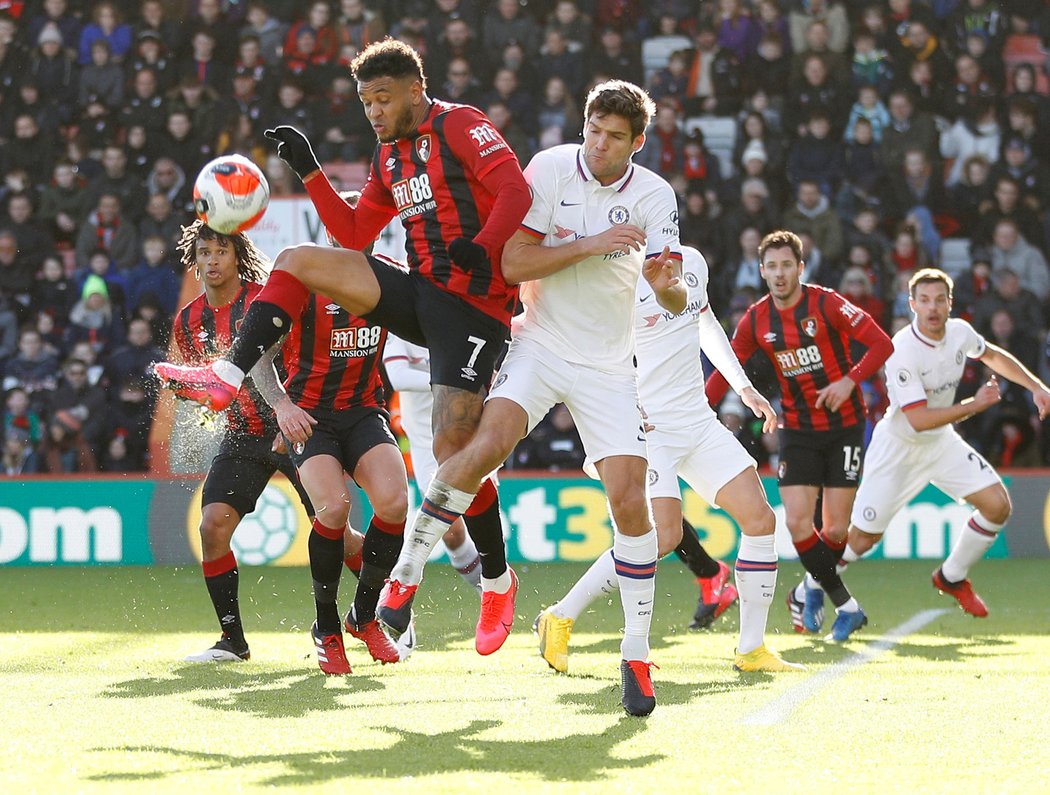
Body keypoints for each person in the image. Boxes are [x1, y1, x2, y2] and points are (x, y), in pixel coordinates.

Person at [154, 39, 531, 656]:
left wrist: (486, 243)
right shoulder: (389, 157)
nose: (374, 112)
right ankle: (228, 372)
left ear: (415, 89)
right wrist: (309, 171)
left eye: (383, 99)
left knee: (453, 450)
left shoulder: (461, 124)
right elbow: (356, 234)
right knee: (298, 260)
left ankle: (496, 579)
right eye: (365, 103)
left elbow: (514, 190)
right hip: (422, 296)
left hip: (476, 309)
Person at [384, 80, 685, 716]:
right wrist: (590, 245)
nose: (599, 145)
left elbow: (673, 292)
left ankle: (634, 655)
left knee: (634, 508)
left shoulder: (656, 195)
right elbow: (513, 263)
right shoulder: (548, 168)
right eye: (594, 130)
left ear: (637, 142)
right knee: (479, 447)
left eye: (614, 137)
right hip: (540, 344)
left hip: (609, 367)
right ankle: (404, 579)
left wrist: (667, 285)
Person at [535, 246, 803, 677]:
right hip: (649, 427)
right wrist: (619, 406)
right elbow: (589, 350)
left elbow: (705, 321)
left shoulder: (694, 260)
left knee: (760, 520)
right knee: (661, 538)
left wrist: (744, 387)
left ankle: (751, 649)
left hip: (697, 419)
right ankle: (559, 616)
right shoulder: (615, 276)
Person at [706, 230, 893, 642]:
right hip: (799, 430)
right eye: (771, 266)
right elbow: (727, 368)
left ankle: (807, 590)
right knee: (795, 522)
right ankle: (847, 607)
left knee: (837, 531)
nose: (779, 273)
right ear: (761, 271)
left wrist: (849, 380)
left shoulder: (826, 303)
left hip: (844, 426)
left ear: (800, 268)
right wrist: (696, 407)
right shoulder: (755, 319)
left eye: (786, 264)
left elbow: (881, 344)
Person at [843, 269, 1050, 615]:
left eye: (940, 299)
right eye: (924, 300)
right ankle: (808, 590)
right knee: (862, 540)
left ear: (950, 303)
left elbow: (993, 355)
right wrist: (975, 404)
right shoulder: (901, 350)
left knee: (997, 506)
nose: (933, 307)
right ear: (912, 304)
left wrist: (1037, 388)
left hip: (940, 442)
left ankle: (952, 577)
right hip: (899, 446)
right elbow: (918, 420)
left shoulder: (959, 332)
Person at [172, 220, 317, 664]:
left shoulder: (265, 302)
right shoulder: (188, 320)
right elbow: (207, 382)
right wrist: (185, 386)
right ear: (194, 260)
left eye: (221, 251)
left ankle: (377, 616)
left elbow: (299, 360)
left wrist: (291, 413)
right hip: (241, 434)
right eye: (204, 253)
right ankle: (232, 641)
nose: (212, 260)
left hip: (293, 427)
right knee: (212, 525)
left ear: (237, 257)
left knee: (335, 528)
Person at [382, 333, 483, 588]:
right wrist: (450, 380)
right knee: (452, 530)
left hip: (469, 434)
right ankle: (488, 591)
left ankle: (496, 596)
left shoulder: (461, 322)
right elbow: (397, 375)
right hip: (427, 445)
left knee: (482, 518)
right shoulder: (403, 329)